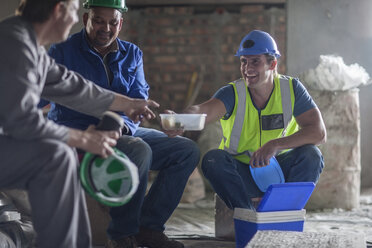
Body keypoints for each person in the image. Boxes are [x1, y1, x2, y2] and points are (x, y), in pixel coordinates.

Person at [39, 1, 200, 247]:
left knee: (185, 150)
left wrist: (122, 124)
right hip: (81, 132)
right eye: (99, 21)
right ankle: (121, 234)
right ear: (85, 20)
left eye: (113, 22)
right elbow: (38, 94)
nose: (106, 27)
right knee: (138, 149)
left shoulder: (132, 53)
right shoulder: (62, 50)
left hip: (123, 131)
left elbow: (138, 98)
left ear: (120, 23)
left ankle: (149, 227)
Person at [0, 0, 159, 247]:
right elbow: (21, 120)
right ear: (58, 10)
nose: (76, 19)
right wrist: (84, 138)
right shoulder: (14, 44)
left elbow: (72, 85)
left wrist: (128, 104)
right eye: (75, 12)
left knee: (59, 156)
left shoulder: (29, 44)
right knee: (58, 156)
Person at [184, 30, 326, 210]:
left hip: (279, 170)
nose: (247, 68)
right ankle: (248, 215)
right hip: (242, 173)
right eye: (243, 61)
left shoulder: (291, 89)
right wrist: (181, 118)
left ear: (272, 64)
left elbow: (318, 132)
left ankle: (284, 212)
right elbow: (203, 110)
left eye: (255, 61)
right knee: (213, 160)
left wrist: (275, 144)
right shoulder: (232, 92)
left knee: (312, 155)